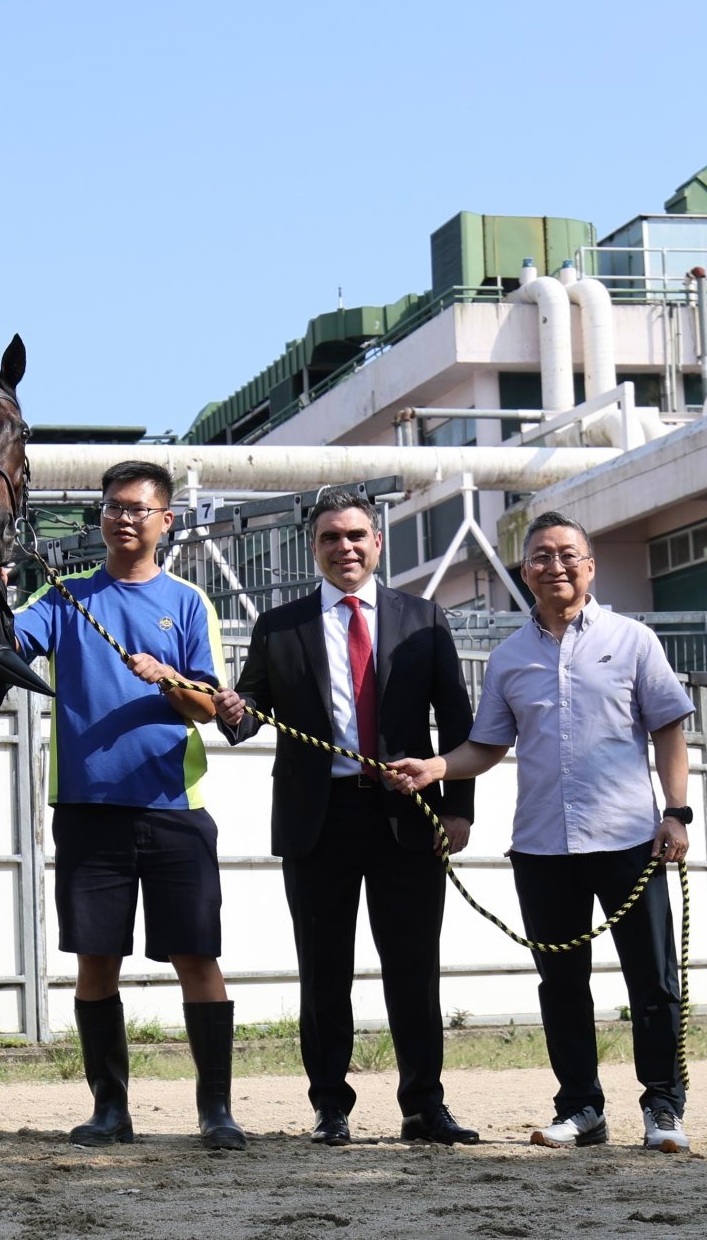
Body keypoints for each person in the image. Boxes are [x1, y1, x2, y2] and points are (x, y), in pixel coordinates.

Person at [386, 510, 695, 1153]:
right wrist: (437, 768)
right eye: (540, 557)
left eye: (566, 554)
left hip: (630, 841)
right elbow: (487, 746)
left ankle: (663, 1107)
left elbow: (669, 728)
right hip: (541, 848)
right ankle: (581, 1106)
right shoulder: (509, 657)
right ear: (524, 572)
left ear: (589, 566)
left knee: (654, 979)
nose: (554, 566)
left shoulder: (633, 641)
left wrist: (677, 811)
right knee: (561, 983)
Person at [209, 489, 478, 1148]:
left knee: (414, 967)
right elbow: (248, 713)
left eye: (356, 534)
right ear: (315, 547)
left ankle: (424, 1104)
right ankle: (330, 1105)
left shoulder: (425, 618)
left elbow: (460, 722)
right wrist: (229, 708)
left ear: (377, 542)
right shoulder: (279, 627)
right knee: (323, 969)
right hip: (316, 822)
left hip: (409, 819)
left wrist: (460, 811)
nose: (345, 546)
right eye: (331, 537)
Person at [9, 460, 246, 1150]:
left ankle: (216, 1111)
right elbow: (6, 644)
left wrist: (167, 675)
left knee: (197, 955)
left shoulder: (189, 602)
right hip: (88, 807)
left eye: (139, 508)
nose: (123, 518)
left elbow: (210, 708)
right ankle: (110, 1108)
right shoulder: (61, 597)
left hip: (175, 805)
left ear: (166, 521)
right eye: (113, 506)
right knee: (95, 960)